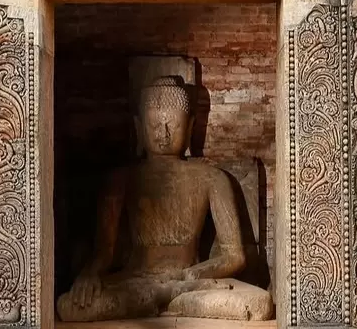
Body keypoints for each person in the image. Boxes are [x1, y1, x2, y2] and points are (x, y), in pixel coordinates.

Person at [56, 77, 273, 322]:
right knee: (69, 306)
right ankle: (166, 297)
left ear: (190, 127)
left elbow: (235, 256)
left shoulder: (212, 178)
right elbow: (104, 253)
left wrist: (187, 277)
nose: (164, 133)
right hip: (136, 281)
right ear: (139, 128)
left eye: (174, 125)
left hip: (192, 282)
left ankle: (161, 299)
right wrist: (89, 274)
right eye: (154, 125)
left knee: (259, 303)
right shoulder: (121, 179)